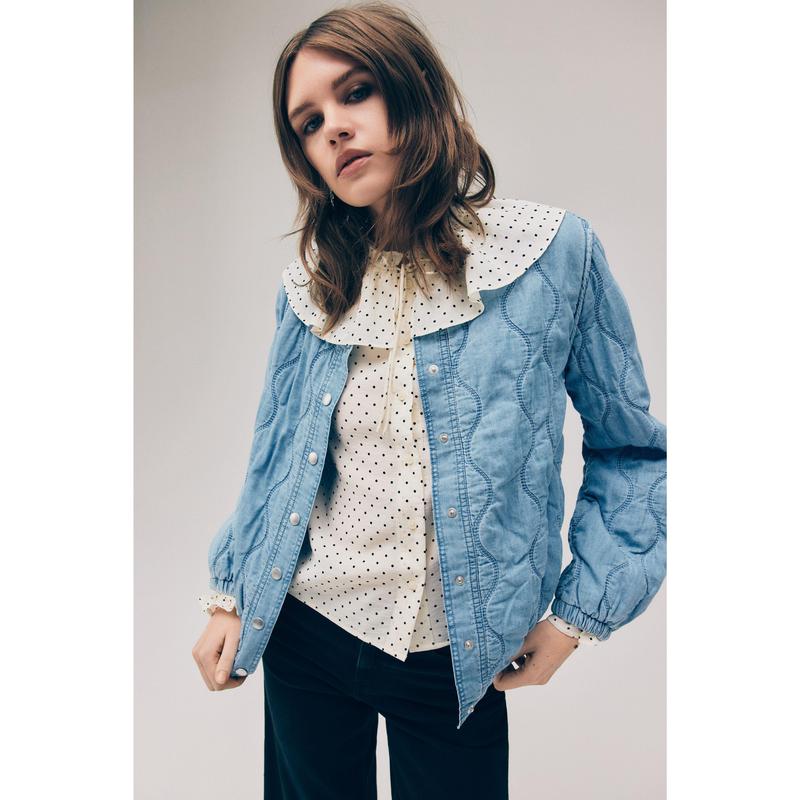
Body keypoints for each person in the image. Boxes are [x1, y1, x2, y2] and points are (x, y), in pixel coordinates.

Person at [191, 2, 667, 798]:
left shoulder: (553, 255)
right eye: (309, 123)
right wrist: (232, 597)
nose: (335, 129)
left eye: (356, 92)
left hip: (456, 653)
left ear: (413, 87)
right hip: (308, 629)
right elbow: (277, 460)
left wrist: (576, 618)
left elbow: (633, 451)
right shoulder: (312, 288)